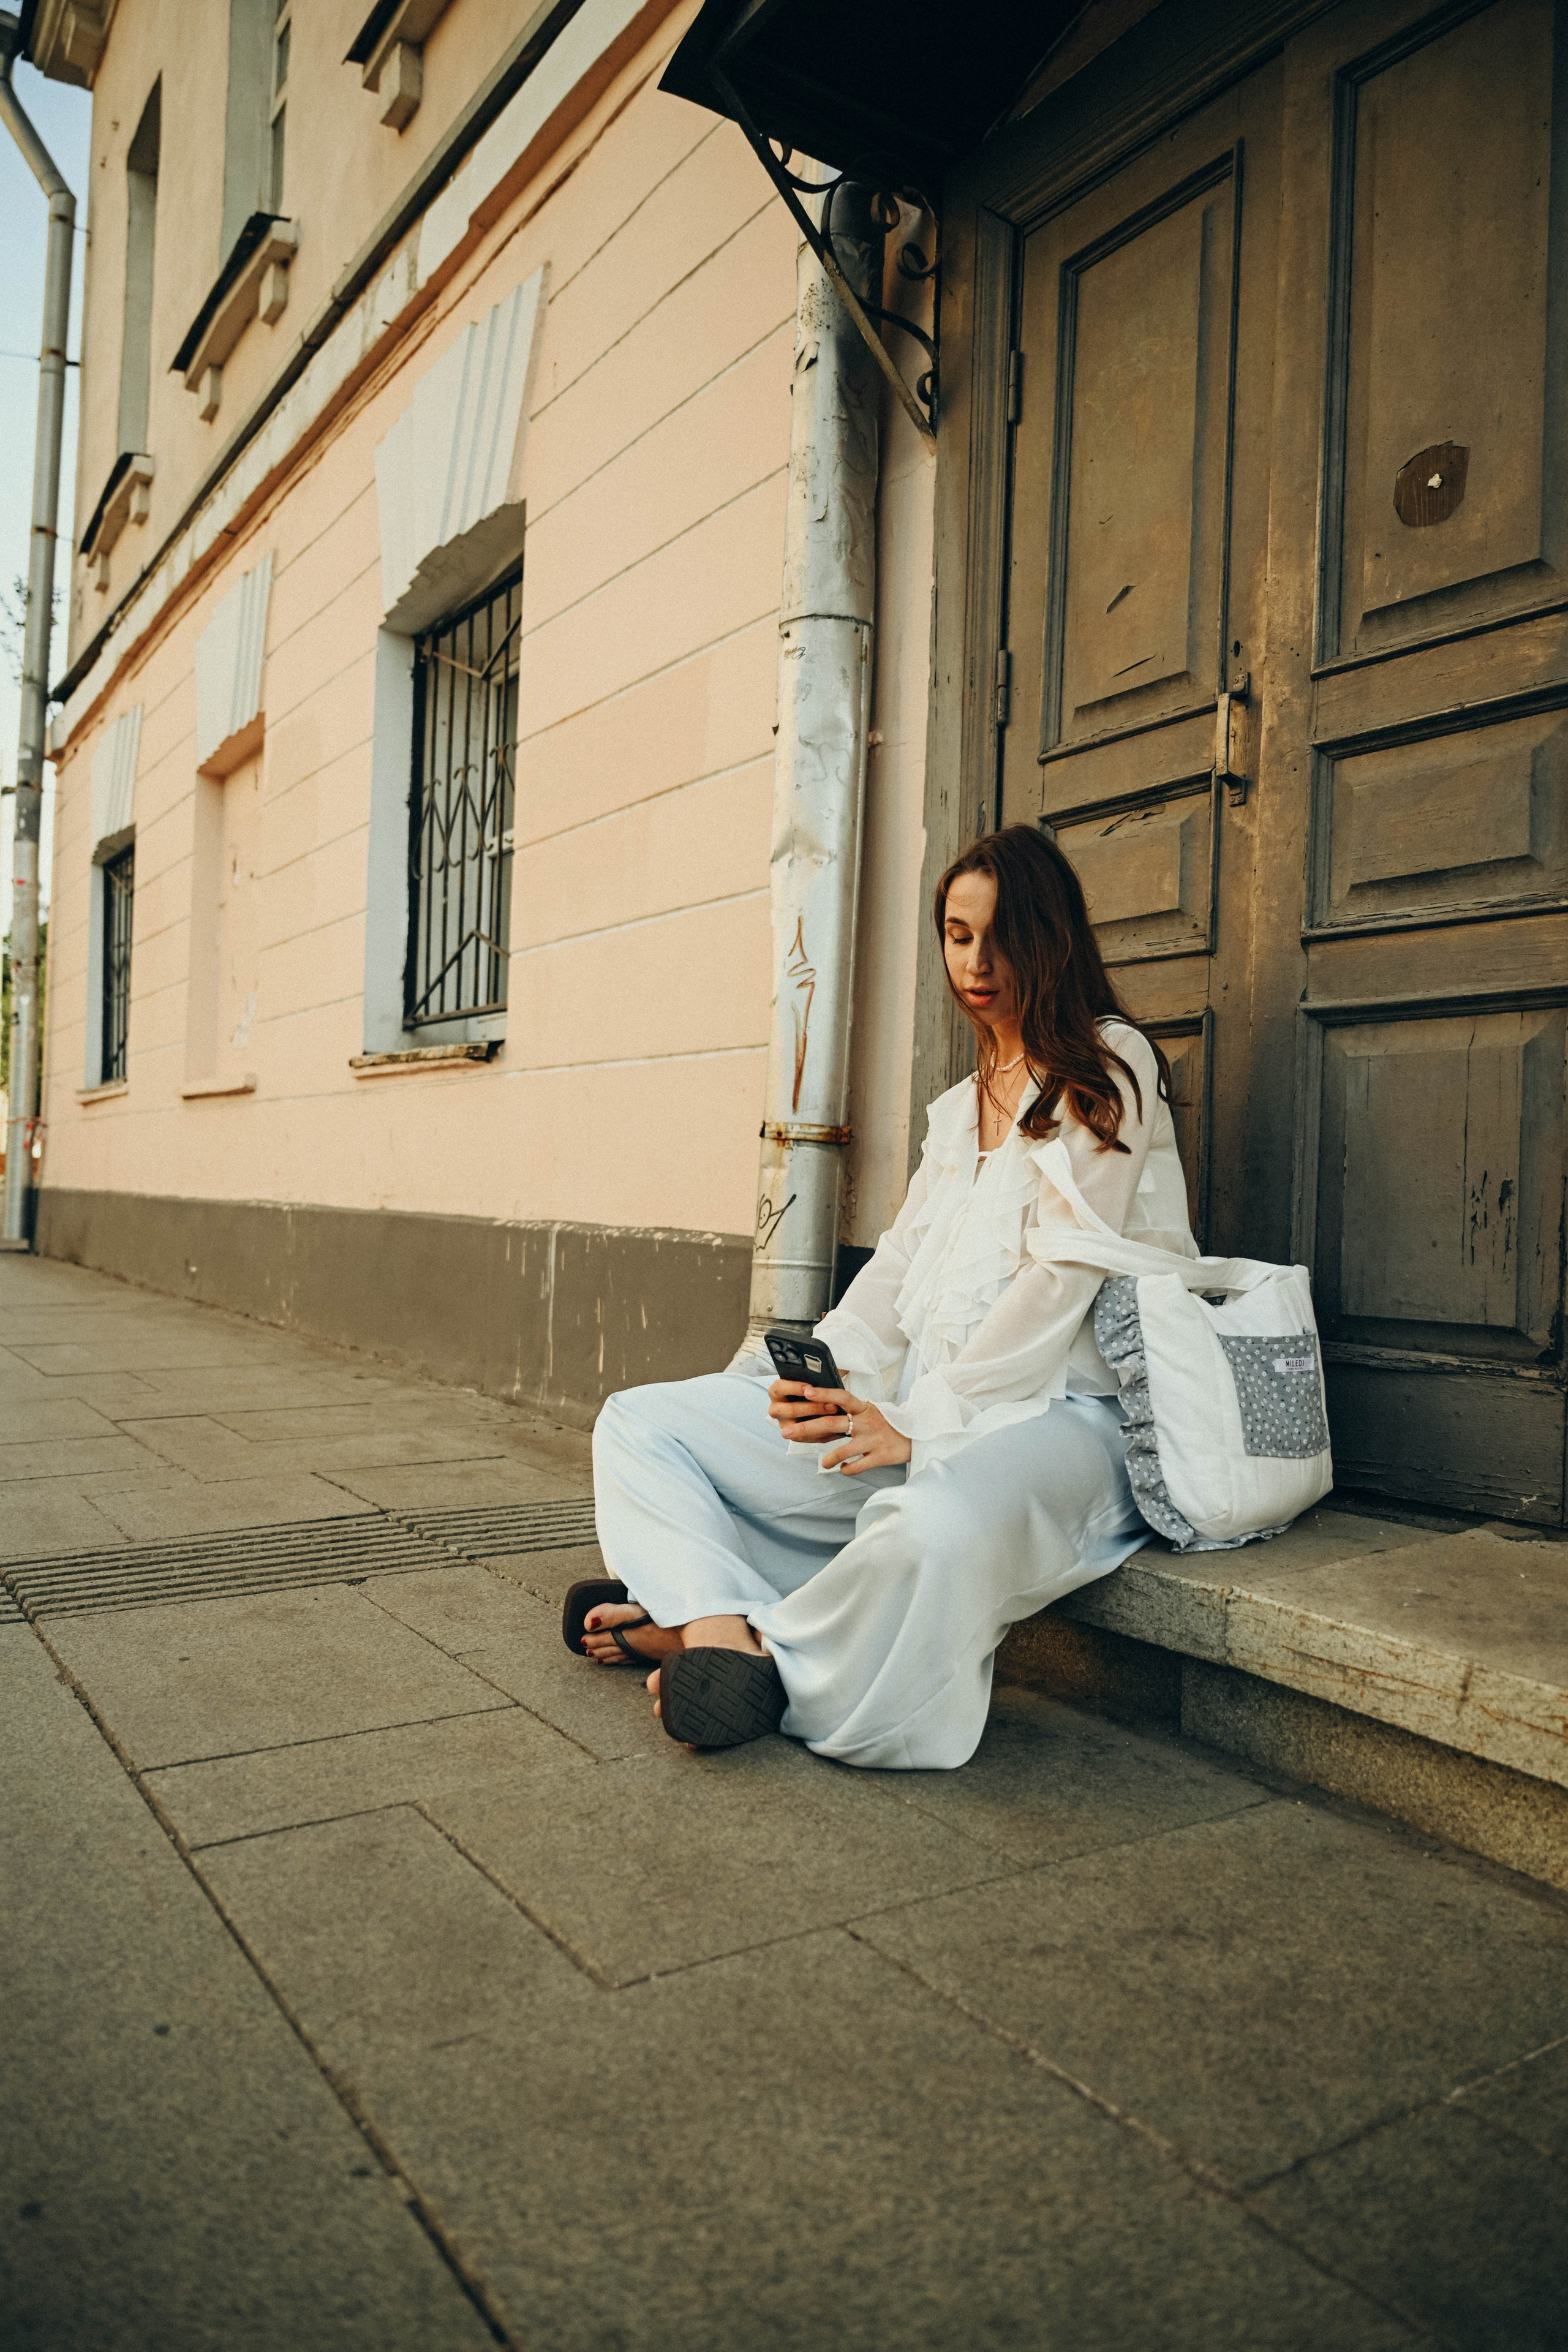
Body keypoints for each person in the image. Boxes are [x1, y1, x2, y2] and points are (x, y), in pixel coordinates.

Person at [571, 823, 1198, 1766]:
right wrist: (825, 1377)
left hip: (1073, 1422)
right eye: (956, 934)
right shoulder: (962, 1103)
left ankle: (747, 1650)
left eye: (1001, 937)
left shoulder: (1112, 1065)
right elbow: (900, 1262)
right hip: (920, 1410)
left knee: (932, 1525)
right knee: (639, 1424)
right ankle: (715, 1630)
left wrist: (926, 1427)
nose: (976, 963)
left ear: (1052, 938)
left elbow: (1061, 1276)